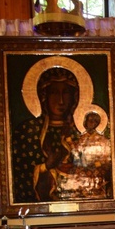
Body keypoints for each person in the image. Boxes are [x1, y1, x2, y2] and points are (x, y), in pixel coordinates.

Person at [11, 67, 80, 203]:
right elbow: (19, 175)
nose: (61, 100)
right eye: (54, 93)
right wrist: (45, 167)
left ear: (74, 97)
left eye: (65, 93)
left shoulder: (79, 132)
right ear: (44, 96)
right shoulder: (28, 131)